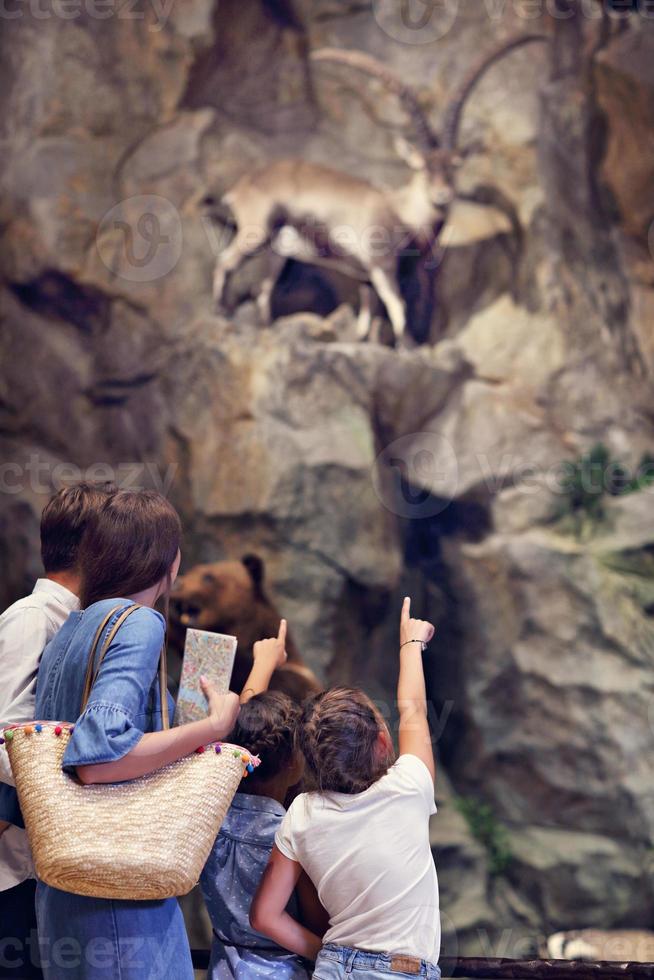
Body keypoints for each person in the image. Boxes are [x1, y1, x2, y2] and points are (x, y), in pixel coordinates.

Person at [31, 489, 240, 980]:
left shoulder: (74, 626)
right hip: (120, 893)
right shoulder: (140, 623)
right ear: (167, 562)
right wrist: (213, 727)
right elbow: (97, 757)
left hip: (65, 890)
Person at [250, 597, 441, 980]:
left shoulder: (302, 812)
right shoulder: (408, 786)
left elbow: (264, 916)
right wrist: (410, 644)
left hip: (332, 968)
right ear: (384, 743)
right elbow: (414, 710)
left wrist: (330, 954)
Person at [0, 482, 115, 980]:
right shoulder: (30, 619)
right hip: (13, 869)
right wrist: (80, 769)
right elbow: (5, 736)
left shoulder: (80, 619)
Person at [200, 619, 323, 979]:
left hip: (224, 968)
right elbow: (317, 924)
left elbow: (243, 743)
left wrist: (263, 663)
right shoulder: (293, 833)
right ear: (292, 763)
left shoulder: (210, 815)